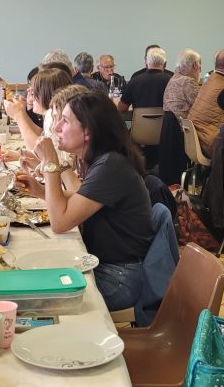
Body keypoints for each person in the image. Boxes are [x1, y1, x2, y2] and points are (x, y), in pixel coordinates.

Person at [15, 92, 153, 311]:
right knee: (30, 277)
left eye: (66, 121)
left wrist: (51, 162)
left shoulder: (110, 165)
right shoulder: (105, 160)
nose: (57, 127)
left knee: (32, 299)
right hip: (107, 265)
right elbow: (83, 198)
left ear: (88, 131)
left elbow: (60, 223)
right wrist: (43, 192)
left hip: (119, 278)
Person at [158, 49, 202, 184]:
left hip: (169, 130)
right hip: (180, 132)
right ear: (195, 65)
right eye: (200, 65)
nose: (200, 69)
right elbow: (201, 106)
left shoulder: (174, 79)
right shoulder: (187, 81)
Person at [118, 46, 173, 112]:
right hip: (164, 122)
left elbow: (121, 108)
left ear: (146, 63)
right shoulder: (172, 81)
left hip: (139, 122)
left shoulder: (134, 81)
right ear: (165, 64)